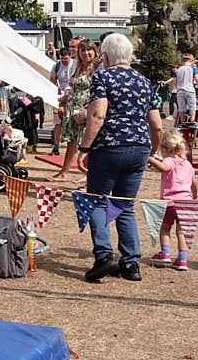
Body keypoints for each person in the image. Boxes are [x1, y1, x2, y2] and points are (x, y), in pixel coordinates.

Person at [77, 33, 162, 282]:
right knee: (125, 204)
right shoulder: (144, 81)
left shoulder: (103, 77)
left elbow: (97, 115)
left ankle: (104, 256)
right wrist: (152, 150)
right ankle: (131, 264)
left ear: (104, 57)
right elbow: (157, 125)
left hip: (109, 146)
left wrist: (84, 148)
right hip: (140, 147)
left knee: (97, 201)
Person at [148, 129, 197, 271]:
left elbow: (164, 168)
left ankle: (165, 254)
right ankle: (182, 260)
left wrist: (149, 158)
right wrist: (195, 194)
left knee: (165, 228)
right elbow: (193, 183)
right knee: (182, 232)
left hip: (170, 203)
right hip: (187, 204)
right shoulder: (187, 164)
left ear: (164, 148)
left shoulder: (168, 160)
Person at [52, 39, 99, 180]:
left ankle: (88, 174)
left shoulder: (97, 68)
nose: (86, 53)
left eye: (89, 50)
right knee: (71, 142)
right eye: (83, 50)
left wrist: (88, 106)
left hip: (85, 110)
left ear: (95, 51)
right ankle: (64, 172)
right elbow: (71, 86)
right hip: (72, 108)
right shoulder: (77, 67)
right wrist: (65, 97)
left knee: (86, 142)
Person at [49, 47, 75, 155]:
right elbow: (52, 82)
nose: (64, 61)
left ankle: (74, 148)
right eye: (62, 59)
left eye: (66, 59)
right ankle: (56, 147)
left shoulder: (76, 65)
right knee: (58, 123)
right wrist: (58, 95)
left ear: (70, 56)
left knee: (73, 122)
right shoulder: (56, 67)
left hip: (74, 96)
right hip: (60, 97)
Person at [162, 53, 197, 128]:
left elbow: (175, 83)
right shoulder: (193, 68)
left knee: (181, 108)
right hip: (190, 90)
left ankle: (183, 123)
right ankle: (192, 122)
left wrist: (178, 88)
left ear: (182, 61)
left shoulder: (177, 70)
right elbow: (197, 79)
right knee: (192, 106)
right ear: (191, 60)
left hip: (180, 91)